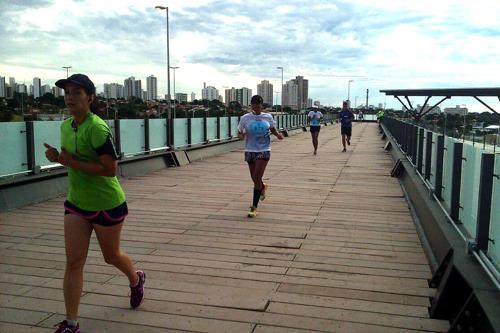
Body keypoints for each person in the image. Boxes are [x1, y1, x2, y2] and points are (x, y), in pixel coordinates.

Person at [44, 74, 145, 333]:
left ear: (90, 97)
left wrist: (68, 162)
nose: (69, 97)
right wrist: (58, 157)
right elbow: (72, 159)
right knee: (74, 262)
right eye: (67, 92)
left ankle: (135, 278)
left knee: (111, 256)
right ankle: (71, 323)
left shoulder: (97, 127)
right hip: (77, 202)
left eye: (76, 92)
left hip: (106, 203)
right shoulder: (66, 126)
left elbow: (110, 169)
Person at [238, 95, 283, 217]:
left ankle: (254, 207)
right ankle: (262, 187)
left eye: (259, 106)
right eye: (254, 105)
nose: (257, 108)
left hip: (264, 149)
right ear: (251, 105)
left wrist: (277, 135)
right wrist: (241, 136)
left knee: (257, 176)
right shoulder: (245, 118)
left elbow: (272, 128)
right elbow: (240, 133)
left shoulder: (267, 117)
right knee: (254, 178)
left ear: (261, 106)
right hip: (250, 150)